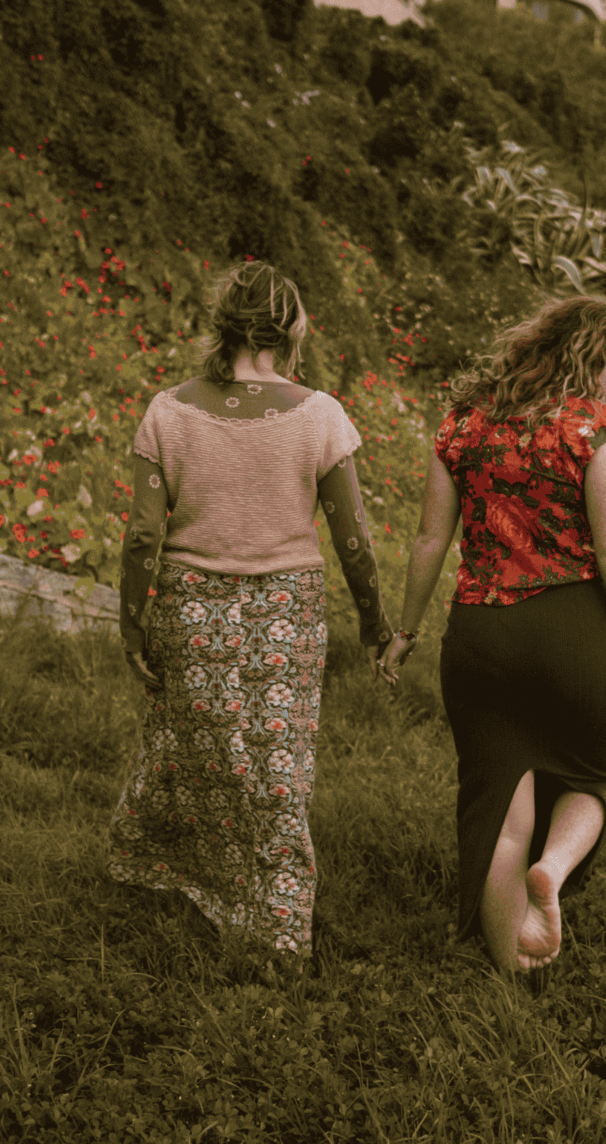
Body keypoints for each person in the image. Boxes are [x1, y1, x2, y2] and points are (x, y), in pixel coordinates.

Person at [107, 259, 398, 968]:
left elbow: (144, 535)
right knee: (275, 767)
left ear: (221, 325)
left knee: (187, 743)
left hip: (189, 604)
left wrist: (131, 619)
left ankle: (163, 874)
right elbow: (354, 539)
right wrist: (374, 625)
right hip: (284, 613)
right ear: (291, 330)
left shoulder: (167, 412)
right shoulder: (320, 416)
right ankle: (274, 926)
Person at [379, 294, 606, 976]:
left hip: (482, 633)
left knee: (500, 803)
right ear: (589, 359)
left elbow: (427, 539)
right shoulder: (593, 429)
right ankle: (554, 869)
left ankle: (511, 966)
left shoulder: (463, 424)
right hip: (573, 631)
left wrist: (405, 632)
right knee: (598, 779)